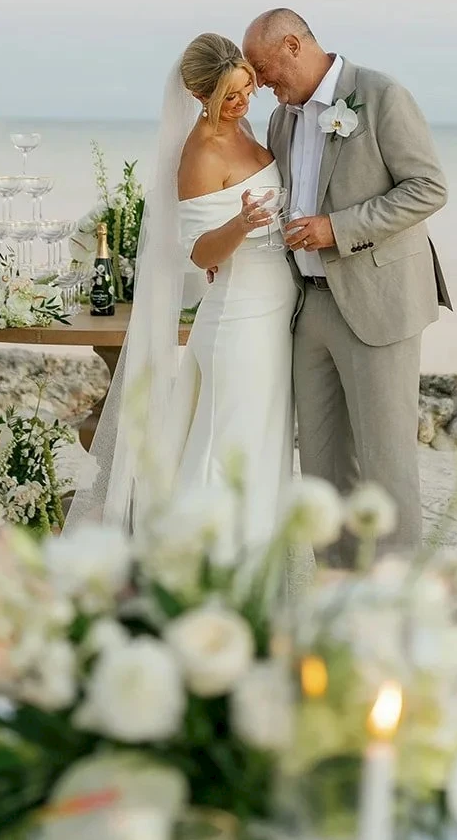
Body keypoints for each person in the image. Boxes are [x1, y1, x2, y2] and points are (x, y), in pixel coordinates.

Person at [68, 33, 298, 544]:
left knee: (261, 444)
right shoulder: (199, 152)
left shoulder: (247, 128)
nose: (241, 104)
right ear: (199, 97)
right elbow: (198, 254)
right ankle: (199, 563)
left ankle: (255, 564)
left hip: (272, 314)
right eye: (229, 97)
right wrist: (239, 225)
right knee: (226, 445)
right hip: (238, 318)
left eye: (245, 90)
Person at [242, 8, 450, 563]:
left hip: (378, 302)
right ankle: (334, 593)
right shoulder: (282, 120)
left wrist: (338, 228)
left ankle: (397, 596)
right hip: (307, 308)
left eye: (265, 70)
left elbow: (428, 188)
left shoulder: (380, 95)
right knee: (322, 465)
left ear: (292, 45)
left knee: (386, 463)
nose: (262, 85)